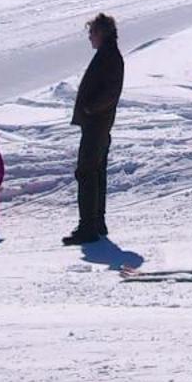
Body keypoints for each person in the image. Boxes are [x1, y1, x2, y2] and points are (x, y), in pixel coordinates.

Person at [65, 13, 123, 245]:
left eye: (92, 32)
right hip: (98, 123)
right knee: (95, 172)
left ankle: (88, 226)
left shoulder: (109, 56)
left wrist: (89, 108)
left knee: (87, 173)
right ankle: (96, 222)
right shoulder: (108, 54)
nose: (90, 37)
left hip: (96, 124)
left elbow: (111, 92)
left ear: (102, 33)